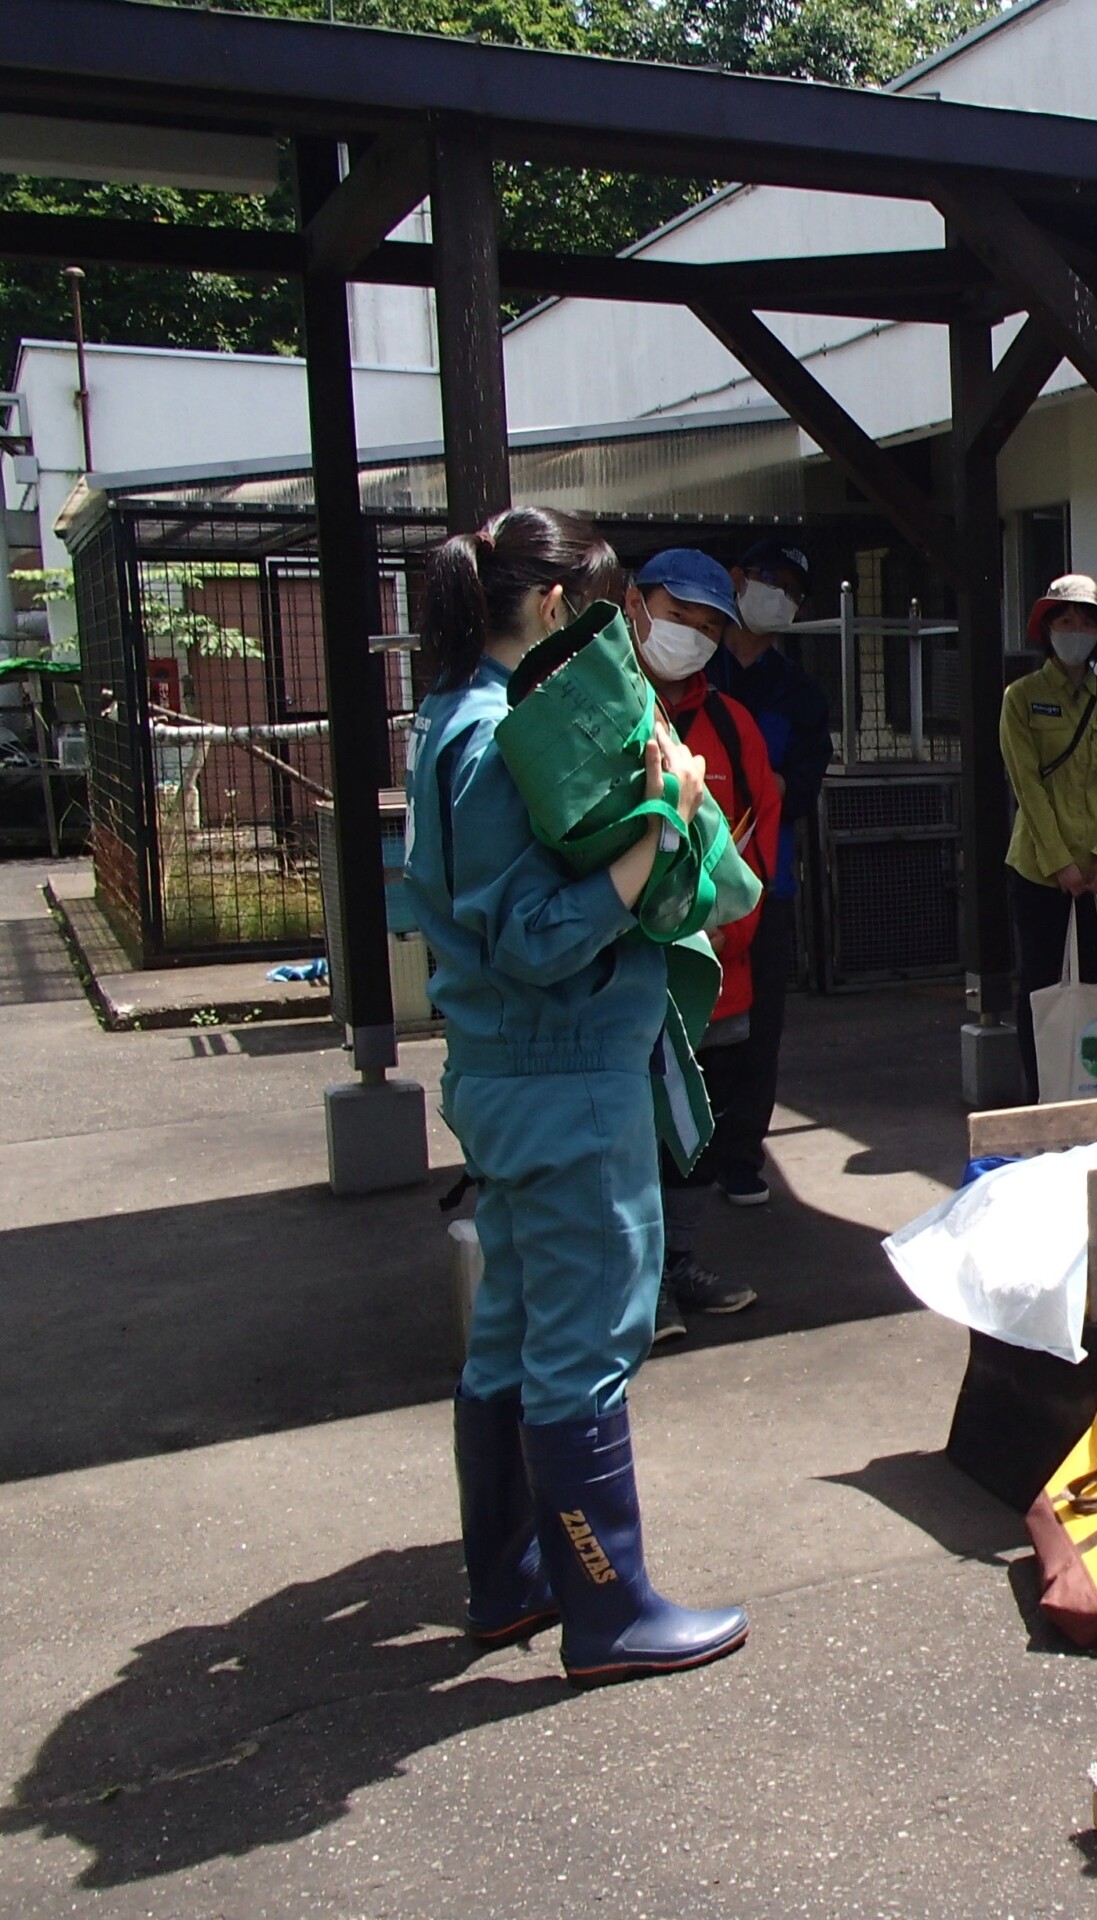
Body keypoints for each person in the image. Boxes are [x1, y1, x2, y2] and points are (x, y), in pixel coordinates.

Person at [404, 506, 747, 1685]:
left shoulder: (449, 719)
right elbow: (539, 936)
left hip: (507, 1080)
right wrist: (668, 820)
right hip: (565, 1082)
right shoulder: (503, 740)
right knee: (584, 1345)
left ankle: (510, 1582)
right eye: (603, 613)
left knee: (508, 1333)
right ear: (556, 610)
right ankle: (609, 1613)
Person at [629, 550, 782, 1345]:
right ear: (635, 604)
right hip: (623, 975)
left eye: (708, 624)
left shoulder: (732, 725)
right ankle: (638, 1282)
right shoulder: (602, 714)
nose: (690, 634)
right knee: (630, 1127)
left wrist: (732, 926)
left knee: (696, 1126)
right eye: (678, 614)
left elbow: (760, 839)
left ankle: (678, 1263)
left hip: (715, 974)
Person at [703, 537, 831, 1206]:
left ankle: (740, 1155)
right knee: (686, 1015)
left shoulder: (799, 693)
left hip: (766, 880)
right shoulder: (697, 668)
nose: (778, 594)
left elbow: (803, 785)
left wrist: (760, 787)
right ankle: (683, 1150)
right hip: (681, 883)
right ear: (735, 579)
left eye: (792, 589)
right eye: (768, 579)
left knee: (758, 1024)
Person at [1000, 572, 1097, 1098]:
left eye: (1087, 620)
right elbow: (1027, 787)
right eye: (1066, 619)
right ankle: (1044, 1095)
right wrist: (1060, 862)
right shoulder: (1021, 698)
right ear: (1047, 627)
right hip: (1041, 872)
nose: (1076, 628)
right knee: (1042, 988)